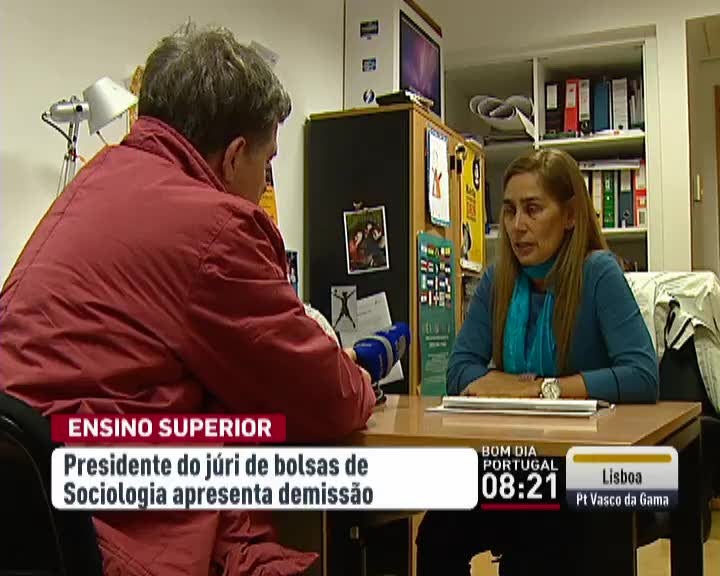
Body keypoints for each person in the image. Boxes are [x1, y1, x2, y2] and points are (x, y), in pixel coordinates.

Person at [0, 23, 375, 576]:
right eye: (267, 163)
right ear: (235, 155)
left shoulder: (96, 180)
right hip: (105, 525)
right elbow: (327, 399)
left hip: (30, 504)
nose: (265, 184)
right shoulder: (214, 230)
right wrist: (359, 373)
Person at [415, 148, 659, 575]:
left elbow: (642, 375)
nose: (517, 226)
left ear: (570, 216)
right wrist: (502, 385)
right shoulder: (498, 279)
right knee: (438, 534)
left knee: (538, 549)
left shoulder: (598, 273)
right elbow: (459, 371)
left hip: (586, 469)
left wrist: (543, 389)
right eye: (509, 211)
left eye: (532, 209)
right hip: (516, 462)